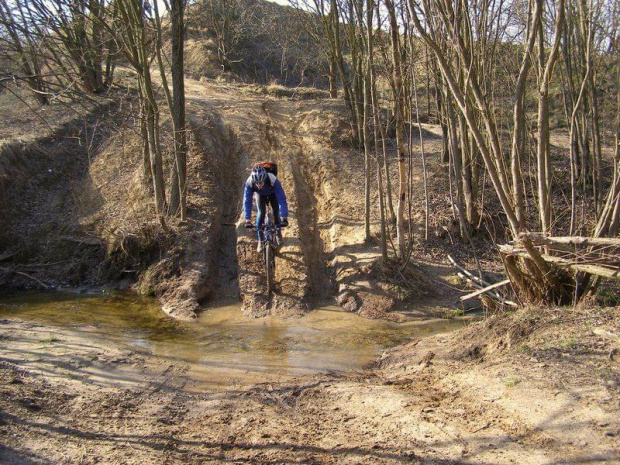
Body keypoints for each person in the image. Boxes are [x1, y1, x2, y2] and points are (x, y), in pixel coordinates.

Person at [243, 164, 289, 252]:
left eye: (261, 182)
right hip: (259, 194)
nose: (259, 184)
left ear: (264, 179)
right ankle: (260, 240)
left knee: (276, 211)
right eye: (257, 183)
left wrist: (284, 217)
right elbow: (247, 201)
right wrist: (247, 220)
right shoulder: (250, 182)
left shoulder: (272, 180)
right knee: (261, 212)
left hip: (272, 193)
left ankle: (278, 234)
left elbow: (282, 199)